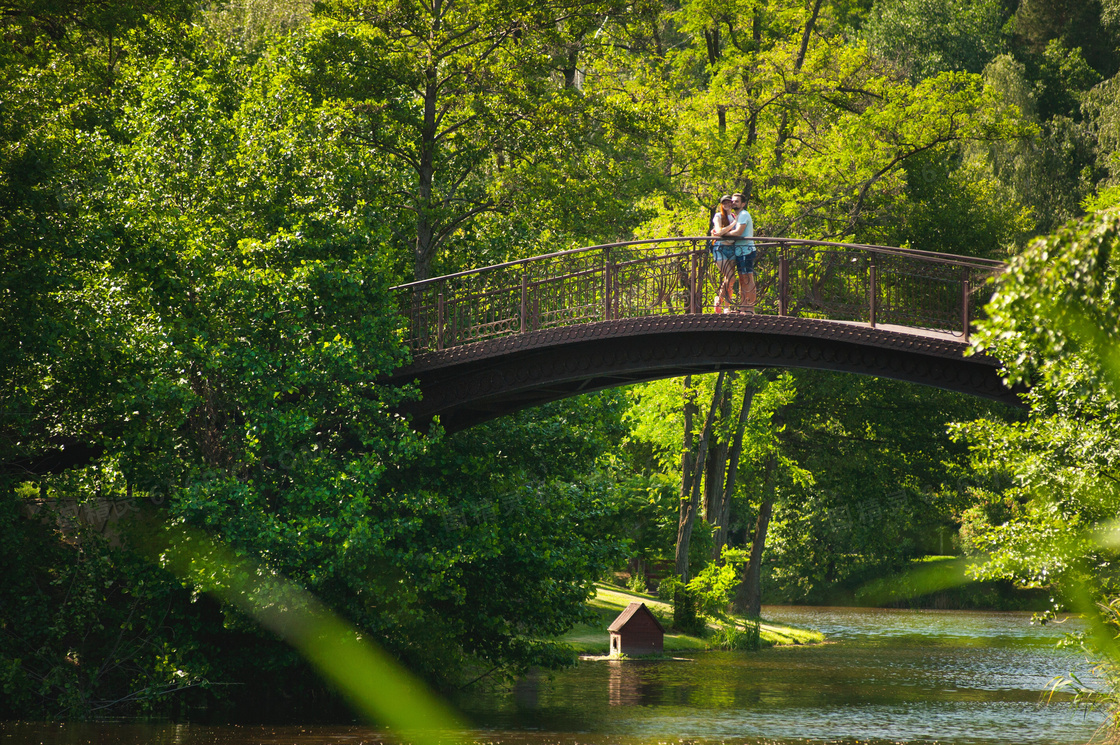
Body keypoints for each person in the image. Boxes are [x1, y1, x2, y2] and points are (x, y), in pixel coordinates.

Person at [723, 192, 757, 313]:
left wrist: (722, 233)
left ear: (743, 204)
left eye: (737, 201)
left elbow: (738, 232)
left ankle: (750, 308)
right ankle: (743, 307)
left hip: (746, 251)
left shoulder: (743, 214)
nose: (734, 203)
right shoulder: (736, 216)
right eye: (733, 201)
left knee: (748, 278)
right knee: (742, 279)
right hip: (739, 251)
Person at [709, 195, 736, 313]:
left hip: (733, 248)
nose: (727, 205)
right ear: (721, 205)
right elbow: (719, 231)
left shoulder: (734, 216)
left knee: (729, 279)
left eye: (729, 202)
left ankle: (723, 304)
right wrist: (732, 225)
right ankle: (723, 304)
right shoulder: (718, 216)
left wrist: (726, 231)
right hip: (720, 248)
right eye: (724, 203)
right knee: (731, 277)